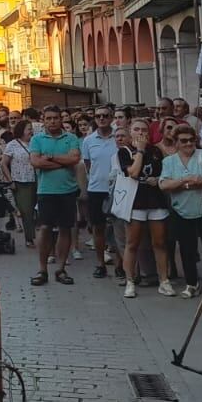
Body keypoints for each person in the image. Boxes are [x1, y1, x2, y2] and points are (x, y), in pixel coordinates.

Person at [114, 118, 170, 298]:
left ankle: (164, 280)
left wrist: (158, 179)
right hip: (134, 201)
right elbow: (133, 172)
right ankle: (130, 281)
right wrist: (139, 151)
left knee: (159, 242)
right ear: (131, 132)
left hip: (155, 200)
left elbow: (163, 173)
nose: (140, 133)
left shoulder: (156, 151)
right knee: (132, 243)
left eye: (143, 130)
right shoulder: (124, 152)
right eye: (136, 129)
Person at [160, 125, 202, 301]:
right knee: (186, 249)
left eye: (191, 140)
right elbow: (163, 185)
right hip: (181, 210)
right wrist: (186, 180)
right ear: (176, 143)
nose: (188, 143)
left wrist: (179, 185)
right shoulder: (169, 161)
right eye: (183, 140)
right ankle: (191, 283)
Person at [28, 106, 81, 287]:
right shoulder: (37, 139)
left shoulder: (71, 138)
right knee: (45, 228)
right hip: (46, 191)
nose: (52, 121)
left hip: (67, 190)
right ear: (43, 120)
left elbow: (74, 159)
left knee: (65, 229)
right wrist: (62, 161)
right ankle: (42, 269)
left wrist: (50, 158)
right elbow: (35, 162)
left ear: (61, 119)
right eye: (49, 118)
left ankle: (61, 268)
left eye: (56, 118)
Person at [79, 114, 117, 279]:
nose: (102, 118)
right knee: (98, 227)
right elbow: (87, 164)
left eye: (106, 116)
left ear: (111, 118)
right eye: (98, 116)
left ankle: (121, 265)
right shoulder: (88, 140)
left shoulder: (119, 136)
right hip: (96, 189)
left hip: (118, 189)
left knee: (118, 229)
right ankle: (100, 264)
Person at [4, 120, 36, 249]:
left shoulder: (35, 142)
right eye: (29, 129)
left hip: (37, 179)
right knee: (26, 210)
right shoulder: (12, 145)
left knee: (37, 209)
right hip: (20, 181)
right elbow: (3, 164)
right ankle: (29, 238)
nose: (31, 131)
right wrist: (10, 180)